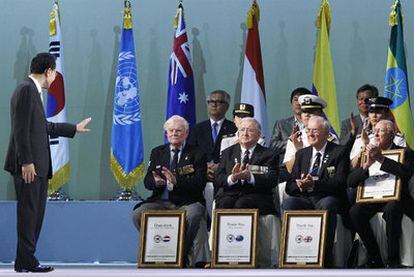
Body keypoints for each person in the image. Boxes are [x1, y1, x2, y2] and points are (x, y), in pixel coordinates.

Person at [3, 53, 92, 273]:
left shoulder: (31, 91)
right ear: (49, 71)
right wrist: (26, 162)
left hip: (37, 165)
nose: (54, 79)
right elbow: (20, 129)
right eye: (54, 74)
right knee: (29, 214)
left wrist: (73, 128)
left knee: (34, 214)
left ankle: (24, 260)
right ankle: (28, 261)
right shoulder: (26, 90)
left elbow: (43, 127)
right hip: (29, 166)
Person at [132, 115, 207, 267]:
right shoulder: (158, 152)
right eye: (171, 130)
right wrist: (156, 182)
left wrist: (176, 181)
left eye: (178, 131)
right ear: (166, 133)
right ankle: (157, 251)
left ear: (186, 133)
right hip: (160, 201)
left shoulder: (197, 153)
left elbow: (199, 182)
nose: (174, 133)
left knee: (194, 214)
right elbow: (147, 181)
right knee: (138, 214)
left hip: (187, 201)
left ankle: (181, 254)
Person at [283, 116, 349, 267]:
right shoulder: (302, 154)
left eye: (315, 131)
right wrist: (299, 185)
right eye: (308, 130)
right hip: (306, 198)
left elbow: (340, 183)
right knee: (289, 202)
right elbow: (289, 186)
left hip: (327, 197)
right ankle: (294, 256)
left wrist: (315, 183)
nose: (310, 134)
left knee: (328, 204)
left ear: (326, 133)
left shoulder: (339, 152)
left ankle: (324, 258)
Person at [347, 120, 414, 268]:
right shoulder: (366, 153)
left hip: (397, 199)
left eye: (380, 131)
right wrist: (366, 165)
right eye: (374, 130)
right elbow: (350, 182)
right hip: (372, 199)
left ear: (391, 135)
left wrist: (381, 159)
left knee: (392, 208)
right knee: (355, 211)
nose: (375, 134)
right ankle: (375, 258)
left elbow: (406, 173)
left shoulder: (406, 152)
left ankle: (393, 260)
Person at [214, 117, 279, 215]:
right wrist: (232, 178)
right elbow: (217, 179)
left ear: (259, 135)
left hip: (257, 196)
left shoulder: (268, 154)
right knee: (224, 203)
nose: (245, 133)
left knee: (242, 204)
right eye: (242, 130)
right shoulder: (227, 153)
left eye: (250, 130)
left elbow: (272, 179)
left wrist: (250, 177)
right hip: (231, 194)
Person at [188, 90, 237, 181]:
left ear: (227, 106)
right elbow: (191, 153)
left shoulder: (234, 128)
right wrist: (204, 168)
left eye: (218, 102)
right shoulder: (198, 128)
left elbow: (236, 153)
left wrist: (220, 166)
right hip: (201, 176)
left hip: (225, 176)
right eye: (211, 101)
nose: (214, 105)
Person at [283, 94, 338, 172]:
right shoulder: (295, 139)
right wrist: (299, 151)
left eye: (311, 111)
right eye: (304, 111)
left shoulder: (330, 138)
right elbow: (290, 169)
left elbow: (334, 167)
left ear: (320, 115)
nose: (307, 115)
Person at [349, 96, 406, 165]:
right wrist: (364, 148)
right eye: (371, 112)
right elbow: (352, 165)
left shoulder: (397, 138)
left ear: (387, 114)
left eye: (378, 112)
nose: (374, 115)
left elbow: (402, 163)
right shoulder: (361, 138)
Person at [269, 87, 309, 161]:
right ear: (291, 104)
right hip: (286, 166)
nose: (298, 103)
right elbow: (273, 145)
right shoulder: (281, 124)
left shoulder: (316, 124)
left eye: (301, 100)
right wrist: (293, 143)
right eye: (295, 100)